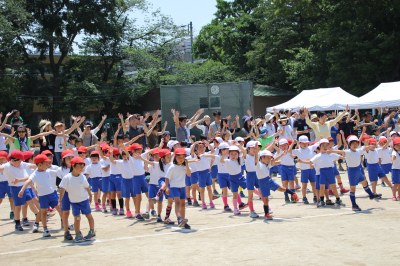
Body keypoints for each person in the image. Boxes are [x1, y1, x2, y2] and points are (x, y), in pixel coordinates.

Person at [329, 135, 382, 211]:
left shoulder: (359, 150)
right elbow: (340, 151)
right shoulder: (347, 151)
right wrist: (331, 151)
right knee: (353, 188)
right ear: (349, 144)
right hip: (352, 171)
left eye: (356, 143)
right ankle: (354, 205)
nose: (355, 145)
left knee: (364, 182)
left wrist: (369, 144)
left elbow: (365, 147)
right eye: (353, 143)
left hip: (358, 169)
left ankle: (371, 195)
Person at [18, 154, 62, 237]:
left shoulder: (48, 171)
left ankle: (66, 225)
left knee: (60, 208)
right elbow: (28, 181)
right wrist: (22, 190)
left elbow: (59, 173)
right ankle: (45, 229)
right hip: (43, 196)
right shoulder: (35, 174)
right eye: (46, 163)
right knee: (43, 212)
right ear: (39, 165)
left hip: (52, 194)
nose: (48, 165)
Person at [0, 150, 40, 232]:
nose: (21, 162)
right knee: (18, 207)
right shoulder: (7, 166)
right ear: (13, 160)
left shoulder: (22, 164)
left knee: (30, 201)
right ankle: (17, 223)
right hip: (15, 188)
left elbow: (32, 166)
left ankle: (38, 215)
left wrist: (42, 165)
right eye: (19, 160)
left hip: (24, 186)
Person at [59, 157, 95, 242]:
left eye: (83, 166)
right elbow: (62, 190)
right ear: (73, 166)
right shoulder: (67, 178)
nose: (81, 168)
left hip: (84, 201)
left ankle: (92, 231)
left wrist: (90, 196)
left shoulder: (82, 177)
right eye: (79, 166)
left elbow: (87, 187)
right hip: (74, 202)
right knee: (77, 218)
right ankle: (78, 234)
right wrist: (60, 200)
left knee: (89, 215)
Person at [255, 149, 298, 220]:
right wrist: (256, 152)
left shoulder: (267, 164)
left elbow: (274, 161)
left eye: (270, 158)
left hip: (268, 180)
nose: (269, 159)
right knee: (265, 199)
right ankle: (266, 214)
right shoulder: (258, 164)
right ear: (262, 157)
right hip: (262, 182)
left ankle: (292, 193)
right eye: (267, 158)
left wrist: (281, 155)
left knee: (281, 189)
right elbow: (256, 159)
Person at [165, 148, 192, 229]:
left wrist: (187, 165)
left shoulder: (184, 167)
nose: (181, 159)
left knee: (183, 204)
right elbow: (167, 178)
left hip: (182, 187)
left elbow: (189, 174)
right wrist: (166, 187)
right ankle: (179, 218)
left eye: (183, 157)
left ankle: (182, 220)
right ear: (175, 157)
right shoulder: (172, 167)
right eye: (179, 157)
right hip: (174, 187)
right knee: (177, 202)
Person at [292, 136, 318, 204]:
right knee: (304, 185)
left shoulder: (311, 147)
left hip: (312, 169)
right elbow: (289, 152)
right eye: (303, 143)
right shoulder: (297, 151)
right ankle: (304, 197)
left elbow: (318, 144)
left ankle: (315, 196)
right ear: (299, 143)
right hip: (304, 170)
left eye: (306, 143)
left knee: (313, 184)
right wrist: (293, 144)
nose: (305, 144)